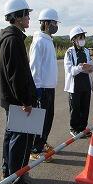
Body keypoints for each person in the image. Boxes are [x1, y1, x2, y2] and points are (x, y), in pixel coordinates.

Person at [0, 0, 39, 184]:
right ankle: (17, 182)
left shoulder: (11, 38)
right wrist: (25, 101)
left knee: (11, 138)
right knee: (21, 142)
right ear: (17, 17)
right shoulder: (13, 40)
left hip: (12, 100)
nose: (29, 18)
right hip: (18, 101)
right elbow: (16, 75)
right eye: (26, 14)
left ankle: (9, 174)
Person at [29, 8, 60, 161]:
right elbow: (35, 67)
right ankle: (35, 148)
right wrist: (37, 88)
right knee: (41, 119)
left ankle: (41, 142)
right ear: (46, 23)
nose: (56, 26)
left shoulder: (48, 40)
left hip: (49, 87)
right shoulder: (39, 41)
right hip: (42, 88)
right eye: (54, 23)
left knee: (48, 119)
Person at [64, 26, 93, 137]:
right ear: (74, 39)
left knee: (85, 107)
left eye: (83, 37)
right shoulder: (69, 52)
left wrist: (91, 67)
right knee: (75, 108)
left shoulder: (86, 50)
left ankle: (83, 128)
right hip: (75, 84)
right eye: (80, 37)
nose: (82, 39)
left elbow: (91, 64)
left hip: (85, 83)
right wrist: (81, 67)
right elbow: (69, 70)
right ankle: (74, 128)